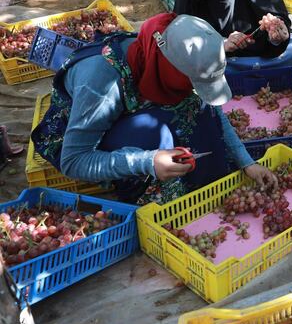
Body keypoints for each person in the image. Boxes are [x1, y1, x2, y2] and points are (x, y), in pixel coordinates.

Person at [31, 13, 273, 205]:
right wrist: (147, 161)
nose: (192, 88)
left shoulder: (162, 50)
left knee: (195, 106)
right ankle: (151, 193)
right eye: (190, 81)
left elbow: (211, 107)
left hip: (127, 110)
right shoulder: (101, 84)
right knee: (153, 135)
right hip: (77, 139)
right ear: (169, 70)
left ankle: (202, 180)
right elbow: (74, 161)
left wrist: (246, 162)